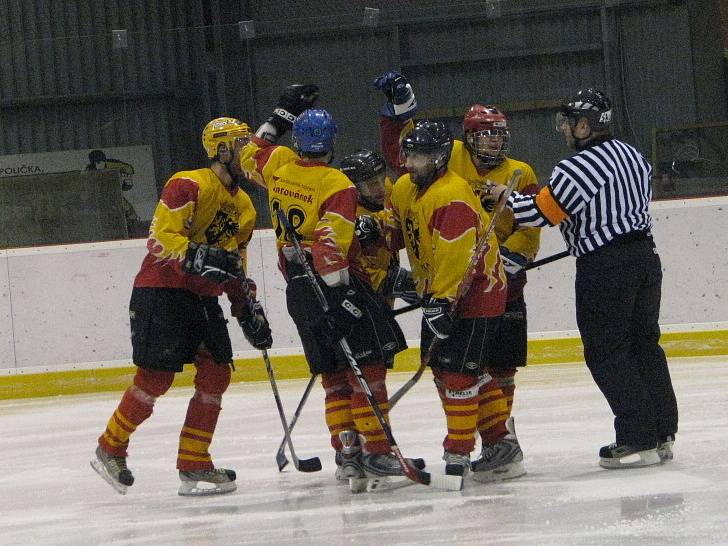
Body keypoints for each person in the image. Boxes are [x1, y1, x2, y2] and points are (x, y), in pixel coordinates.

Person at [487, 88, 679, 468]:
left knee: (608, 352)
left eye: (569, 123)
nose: (565, 130)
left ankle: (636, 436)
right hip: (645, 259)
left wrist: (502, 197)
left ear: (586, 125)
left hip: (605, 268)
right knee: (645, 346)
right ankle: (662, 432)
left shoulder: (578, 167)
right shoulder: (634, 155)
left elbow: (542, 214)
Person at [239, 89, 422, 481]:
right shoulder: (337, 183)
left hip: (297, 287)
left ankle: (347, 453)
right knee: (368, 369)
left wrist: (281, 113)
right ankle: (376, 451)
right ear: (332, 143)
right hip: (333, 284)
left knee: (335, 376)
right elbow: (331, 244)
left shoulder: (280, 167)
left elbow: (248, 154)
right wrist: (341, 299)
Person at [91, 117, 273, 496]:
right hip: (163, 289)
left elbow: (235, 264)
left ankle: (194, 461)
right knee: (155, 379)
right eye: (242, 146)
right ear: (222, 150)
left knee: (217, 372)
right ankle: (110, 447)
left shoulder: (244, 207)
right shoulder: (188, 183)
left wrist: (246, 309)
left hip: (202, 297)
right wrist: (196, 256)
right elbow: (160, 239)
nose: (250, 154)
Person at [375, 72, 528, 482]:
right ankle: (501, 444)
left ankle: (457, 455)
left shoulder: (452, 195)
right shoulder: (407, 188)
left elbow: (456, 258)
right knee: (455, 373)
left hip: (476, 294)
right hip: (442, 293)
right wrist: (374, 230)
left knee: (459, 373)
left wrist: (441, 301)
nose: (409, 163)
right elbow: (398, 229)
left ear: (440, 158)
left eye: (419, 158)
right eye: (409, 157)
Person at [340, 149, 418, 307]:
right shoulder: (344, 217)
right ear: (353, 188)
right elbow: (349, 271)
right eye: (372, 184)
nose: (381, 188)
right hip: (361, 300)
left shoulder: (388, 189)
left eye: (381, 179)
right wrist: (393, 282)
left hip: (386, 279)